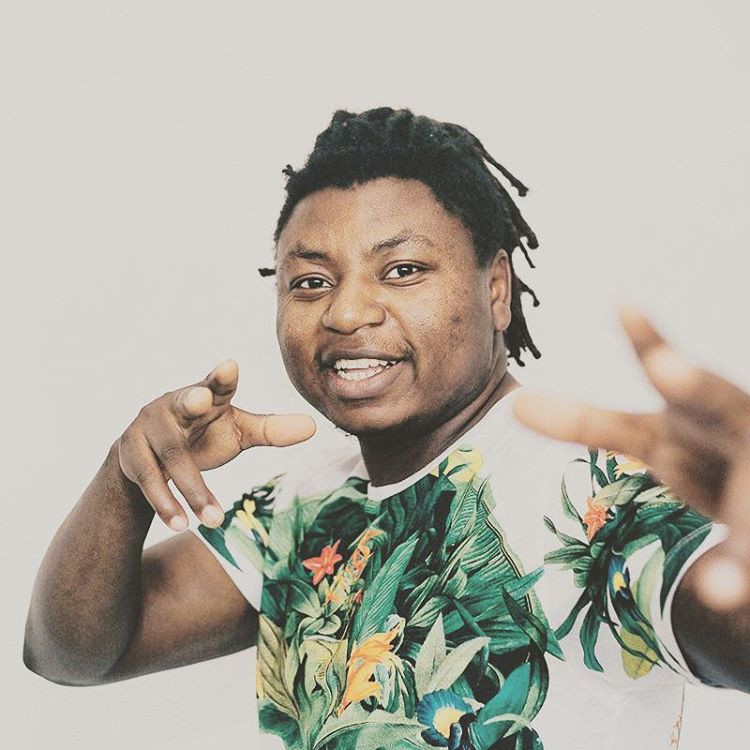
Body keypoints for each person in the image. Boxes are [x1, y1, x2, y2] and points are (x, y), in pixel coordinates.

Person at [22, 108, 745, 750]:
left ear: (496, 289)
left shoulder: (596, 495)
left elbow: (728, 625)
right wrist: (126, 478)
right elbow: (71, 653)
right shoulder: (304, 505)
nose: (345, 313)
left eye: (401, 270)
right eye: (311, 281)